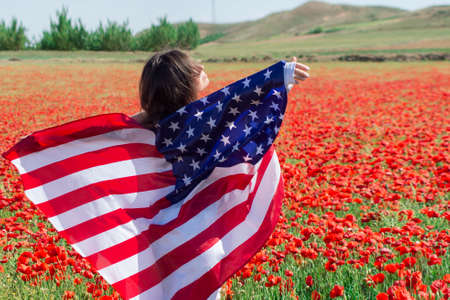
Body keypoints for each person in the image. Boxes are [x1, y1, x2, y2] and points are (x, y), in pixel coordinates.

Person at [130, 49, 309, 127]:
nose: (201, 68)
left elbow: (142, 117)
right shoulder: (199, 121)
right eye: (190, 69)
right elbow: (248, 111)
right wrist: (283, 82)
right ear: (178, 87)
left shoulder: (155, 121)